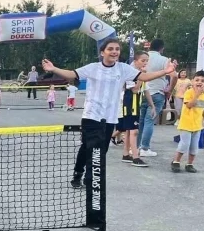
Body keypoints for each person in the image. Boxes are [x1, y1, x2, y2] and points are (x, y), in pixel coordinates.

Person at [41, 37, 176, 188]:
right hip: (91, 115)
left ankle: (90, 178)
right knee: (87, 147)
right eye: (110, 49)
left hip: (110, 117)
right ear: (102, 52)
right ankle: (78, 175)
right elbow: (71, 74)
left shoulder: (123, 69)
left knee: (102, 150)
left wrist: (165, 71)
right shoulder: (93, 67)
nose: (114, 52)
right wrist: (54, 69)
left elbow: (144, 77)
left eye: (117, 49)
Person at [138, 39, 175, 157]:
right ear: (162, 48)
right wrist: (169, 89)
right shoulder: (164, 60)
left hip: (143, 92)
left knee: (141, 121)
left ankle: (136, 147)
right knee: (150, 121)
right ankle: (145, 148)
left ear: (149, 47)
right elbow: (174, 75)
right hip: (157, 93)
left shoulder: (142, 59)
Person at [118, 51, 152, 167]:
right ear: (136, 60)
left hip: (136, 103)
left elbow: (145, 90)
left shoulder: (140, 73)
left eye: (147, 61)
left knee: (129, 130)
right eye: (143, 60)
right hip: (129, 103)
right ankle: (136, 157)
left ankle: (126, 154)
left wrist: (152, 105)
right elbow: (135, 90)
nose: (145, 63)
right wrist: (141, 76)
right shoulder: (130, 72)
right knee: (134, 130)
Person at [172, 70, 204, 173]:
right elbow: (189, 105)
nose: (199, 82)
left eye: (203, 81)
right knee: (184, 144)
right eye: (197, 80)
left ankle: (190, 164)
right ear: (192, 81)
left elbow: (201, 108)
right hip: (186, 124)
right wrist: (196, 95)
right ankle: (176, 161)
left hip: (197, 125)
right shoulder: (189, 92)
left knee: (194, 146)